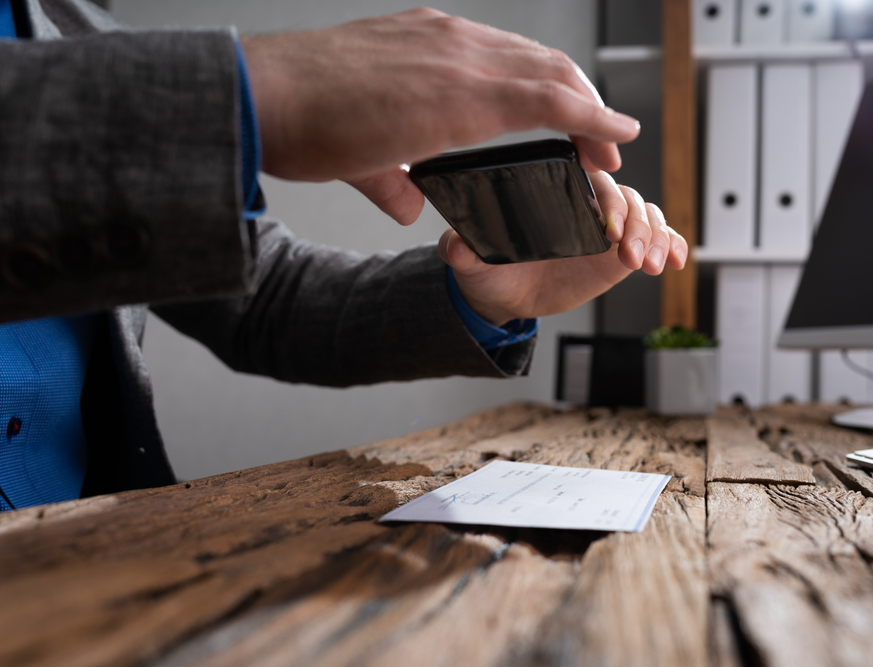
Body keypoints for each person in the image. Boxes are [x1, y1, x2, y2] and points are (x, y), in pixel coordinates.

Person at [0, 0, 687, 510]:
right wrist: (256, 88)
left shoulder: (69, 21)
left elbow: (265, 296)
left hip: (87, 557)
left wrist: (477, 296)